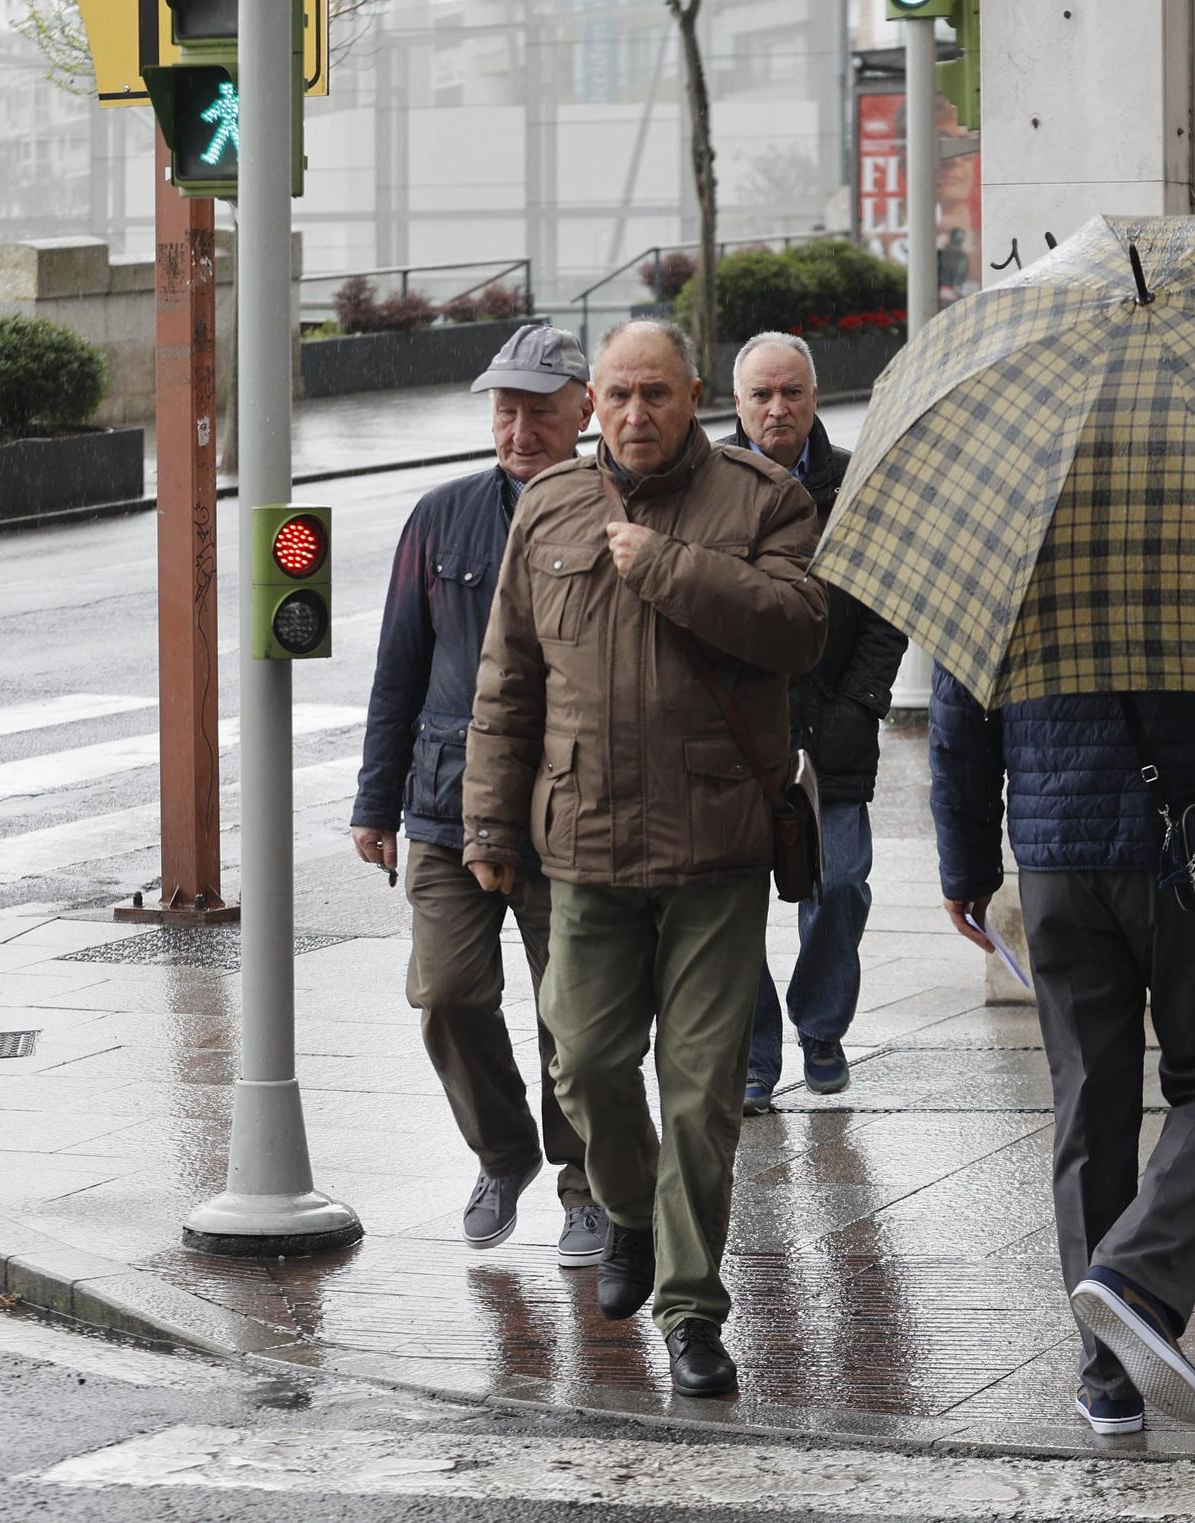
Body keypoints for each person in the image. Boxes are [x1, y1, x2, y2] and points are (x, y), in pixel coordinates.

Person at [462, 319, 828, 1399]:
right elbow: (506, 681)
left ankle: (690, 1308)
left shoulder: (766, 500)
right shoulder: (550, 507)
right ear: (592, 405)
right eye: (616, 394)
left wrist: (668, 566)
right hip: (581, 843)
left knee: (702, 1088)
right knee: (580, 1067)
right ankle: (624, 1209)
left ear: (693, 394)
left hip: (715, 847)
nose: (634, 414)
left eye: (655, 394)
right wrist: (488, 826)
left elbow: (800, 626)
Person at [929, 671, 1195, 1435]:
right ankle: (1136, 1274)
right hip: (1189, 848)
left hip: (1056, 859)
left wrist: (967, 866)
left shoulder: (1005, 558)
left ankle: (1109, 1383)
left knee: (1090, 1104)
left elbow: (957, 718)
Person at [349, 324, 608, 1270]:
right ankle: (505, 1151)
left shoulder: (608, 513)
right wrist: (375, 803)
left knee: (573, 1014)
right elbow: (398, 669)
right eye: (505, 409)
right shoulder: (440, 518)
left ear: (583, 407)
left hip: (566, 803)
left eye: (540, 408)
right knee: (449, 994)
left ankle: (585, 1185)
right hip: (445, 801)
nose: (520, 427)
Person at [725, 332, 907, 1114]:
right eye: (762, 394)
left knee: (840, 888)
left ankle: (821, 1025)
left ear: (814, 395)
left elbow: (887, 612)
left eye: (791, 392)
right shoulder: (707, 486)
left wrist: (859, 702)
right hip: (734, 737)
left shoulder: (858, 485)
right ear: (735, 404)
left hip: (831, 727)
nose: (777, 408)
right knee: (730, 912)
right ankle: (757, 1057)